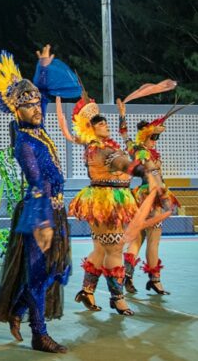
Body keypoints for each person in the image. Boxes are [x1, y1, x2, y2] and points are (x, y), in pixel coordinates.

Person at [0, 46, 80, 353]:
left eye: (38, 102)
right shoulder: (24, 142)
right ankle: (39, 335)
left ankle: (17, 308)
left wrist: (42, 65)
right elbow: (37, 182)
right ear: (17, 111)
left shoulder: (40, 130)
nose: (38, 108)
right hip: (38, 212)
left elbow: (45, 91)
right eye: (29, 105)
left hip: (55, 210)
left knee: (58, 271)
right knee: (39, 274)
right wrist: (43, 223)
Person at [63, 86, 141, 316]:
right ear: (92, 129)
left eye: (106, 123)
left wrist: (123, 117)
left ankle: (87, 291)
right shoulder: (97, 150)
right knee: (115, 247)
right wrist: (142, 171)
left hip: (114, 198)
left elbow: (127, 153)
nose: (105, 126)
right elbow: (124, 161)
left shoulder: (108, 146)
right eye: (100, 124)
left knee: (100, 248)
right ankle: (118, 298)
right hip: (104, 200)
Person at [118, 100, 186, 295]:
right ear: (146, 137)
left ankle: (127, 276)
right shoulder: (145, 153)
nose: (155, 140)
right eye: (153, 137)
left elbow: (124, 135)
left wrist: (122, 114)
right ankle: (155, 280)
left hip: (140, 197)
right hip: (152, 196)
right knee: (153, 241)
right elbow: (155, 179)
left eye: (157, 137)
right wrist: (164, 199)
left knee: (138, 239)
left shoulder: (136, 149)